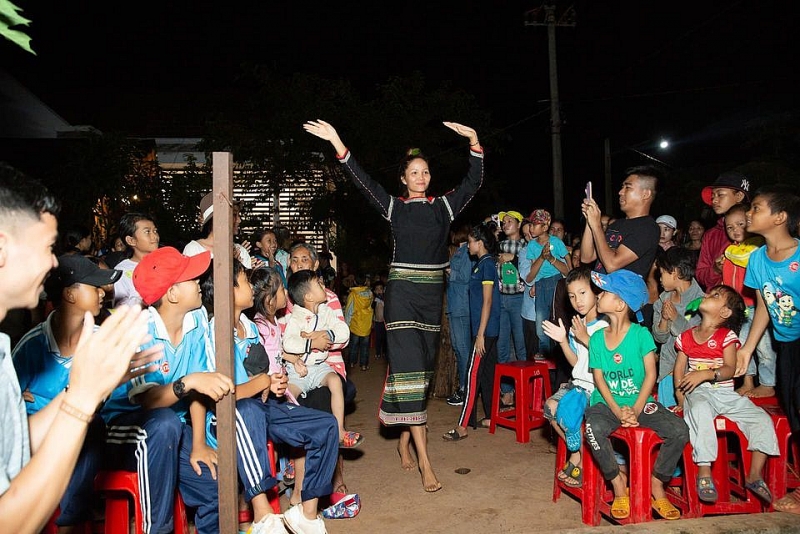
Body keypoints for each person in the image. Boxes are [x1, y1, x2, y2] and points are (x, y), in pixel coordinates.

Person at [304, 119, 483, 492]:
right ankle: (425, 464)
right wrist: (338, 141)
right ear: (403, 178)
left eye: (425, 171)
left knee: (419, 375)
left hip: (431, 298)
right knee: (410, 370)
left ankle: (404, 439)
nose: (421, 177)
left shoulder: (443, 207)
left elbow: (473, 183)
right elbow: (363, 181)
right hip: (401, 296)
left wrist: (475, 143)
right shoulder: (394, 208)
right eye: (413, 172)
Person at [0, 165, 158, 533]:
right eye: (47, 248)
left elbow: (15, 446)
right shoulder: (27, 345)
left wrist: (87, 386)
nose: (54, 262)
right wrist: (81, 402)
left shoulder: (3, 346)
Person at [100, 247, 237, 534]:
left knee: (214, 482)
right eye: (191, 278)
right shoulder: (140, 331)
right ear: (172, 293)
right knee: (164, 423)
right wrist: (188, 382)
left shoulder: (197, 319)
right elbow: (150, 400)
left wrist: (199, 444)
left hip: (172, 428)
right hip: (123, 430)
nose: (199, 282)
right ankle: (158, 529)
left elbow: (202, 386)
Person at [202, 260, 337, 534]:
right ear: (228, 290)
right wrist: (262, 382)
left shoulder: (249, 328)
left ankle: (306, 514)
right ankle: (263, 515)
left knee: (326, 425)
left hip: (262, 408)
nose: (252, 287)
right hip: (227, 418)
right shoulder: (214, 334)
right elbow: (223, 395)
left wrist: (271, 383)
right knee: (247, 410)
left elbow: (259, 377)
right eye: (245, 281)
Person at [12, 255, 121, 531]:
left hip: (93, 438)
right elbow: (9, 405)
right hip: (38, 448)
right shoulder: (31, 345)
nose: (102, 293)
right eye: (94, 287)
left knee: (90, 423)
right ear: (70, 294)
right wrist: (17, 400)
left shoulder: (102, 341)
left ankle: (69, 523)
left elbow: (112, 401)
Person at [583, 269, 689, 520]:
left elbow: (651, 375)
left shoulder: (641, 335)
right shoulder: (596, 338)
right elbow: (599, 379)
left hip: (640, 402)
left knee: (679, 430)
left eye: (604, 292)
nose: (598, 295)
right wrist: (618, 410)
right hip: (606, 403)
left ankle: (656, 484)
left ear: (620, 304)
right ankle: (618, 484)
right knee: (592, 428)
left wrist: (636, 409)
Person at [674, 284, 778, 505]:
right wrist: (681, 397)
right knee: (700, 410)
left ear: (724, 312)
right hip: (698, 392)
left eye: (715, 295)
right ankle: (704, 470)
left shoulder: (726, 336)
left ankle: (754, 475)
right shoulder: (687, 337)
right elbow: (679, 370)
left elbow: (730, 368)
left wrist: (707, 374)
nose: (707, 295)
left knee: (761, 419)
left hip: (725, 393)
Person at [733, 185, 800, 513]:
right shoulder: (758, 258)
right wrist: (747, 349)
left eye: (756, 208)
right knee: (793, 411)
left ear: (780, 217)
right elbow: (762, 306)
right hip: (785, 344)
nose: (749, 213)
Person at [541, 266, 608, 488]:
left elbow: (606, 360)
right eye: (571, 296)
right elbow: (576, 363)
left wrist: (585, 337)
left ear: (596, 292)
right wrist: (563, 341)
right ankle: (577, 450)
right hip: (578, 384)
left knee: (572, 413)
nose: (577, 301)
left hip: (597, 389)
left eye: (582, 293)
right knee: (550, 407)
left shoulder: (605, 325)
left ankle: (581, 456)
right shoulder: (577, 325)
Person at [283, 269, 362, 449]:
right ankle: (292, 444)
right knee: (289, 396)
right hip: (297, 371)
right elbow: (288, 343)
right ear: (309, 297)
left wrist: (325, 334)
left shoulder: (327, 311)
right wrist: (311, 343)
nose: (323, 284)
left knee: (335, 381)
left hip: (319, 367)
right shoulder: (296, 317)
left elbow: (343, 332)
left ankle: (340, 431)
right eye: (318, 284)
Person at [442, 223, 500, 441]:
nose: (468, 245)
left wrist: (480, 334)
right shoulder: (481, 264)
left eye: (471, 242)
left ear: (480, 243)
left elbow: (487, 301)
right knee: (487, 373)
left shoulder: (486, 265)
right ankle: (491, 417)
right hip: (486, 328)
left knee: (472, 373)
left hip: (485, 329)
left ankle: (463, 425)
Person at [720, 204, 775, 398]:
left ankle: (768, 383)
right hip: (738, 308)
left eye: (740, 224)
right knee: (740, 345)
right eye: (730, 227)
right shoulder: (730, 251)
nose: (735, 230)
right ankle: (748, 381)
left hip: (757, 307)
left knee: (764, 346)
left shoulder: (757, 248)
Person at [580, 166, 661, 280]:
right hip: (600, 289)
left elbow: (612, 265)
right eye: (622, 187)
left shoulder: (648, 228)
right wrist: (590, 222)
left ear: (645, 194)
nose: (620, 192)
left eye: (628, 187)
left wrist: (597, 225)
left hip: (621, 291)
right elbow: (586, 257)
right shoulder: (616, 225)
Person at [651, 247, 704, 407]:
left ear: (674, 272)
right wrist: (664, 320)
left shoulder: (700, 302)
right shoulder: (662, 301)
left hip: (693, 373)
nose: (660, 279)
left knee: (692, 413)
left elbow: (696, 338)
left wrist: (675, 318)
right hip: (668, 370)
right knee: (668, 415)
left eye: (662, 273)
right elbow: (659, 338)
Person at [524, 209, 570, 359]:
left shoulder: (555, 242)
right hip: (540, 284)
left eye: (534, 225)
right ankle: (544, 351)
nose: (531, 228)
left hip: (555, 281)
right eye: (530, 225)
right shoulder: (532, 245)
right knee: (541, 321)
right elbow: (533, 269)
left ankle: (560, 353)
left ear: (544, 227)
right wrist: (542, 258)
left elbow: (567, 260)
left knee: (557, 318)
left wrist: (570, 273)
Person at [696, 172, 751, 290]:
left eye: (720, 195)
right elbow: (700, 274)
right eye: (713, 196)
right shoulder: (710, 235)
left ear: (739, 196)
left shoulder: (756, 231)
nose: (714, 200)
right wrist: (715, 269)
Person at [496, 209, 527, 404]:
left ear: (519, 224)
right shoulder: (498, 246)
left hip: (519, 299)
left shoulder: (526, 246)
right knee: (502, 346)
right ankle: (506, 391)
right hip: (501, 299)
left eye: (509, 221)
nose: (505, 224)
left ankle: (523, 391)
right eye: (503, 222)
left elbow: (529, 271)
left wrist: (513, 259)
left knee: (521, 345)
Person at [183, 192, 255, 270]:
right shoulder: (194, 250)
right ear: (217, 219)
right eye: (234, 215)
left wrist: (238, 266)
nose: (239, 220)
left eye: (238, 215)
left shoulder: (241, 252)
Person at [445, 224, 472, 405]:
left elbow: (465, 277)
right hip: (455, 305)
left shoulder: (467, 253)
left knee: (463, 350)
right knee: (458, 348)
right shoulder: (459, 252)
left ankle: (465, 389)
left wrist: (450, 271)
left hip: (462, 306)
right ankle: (463, 387)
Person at [113, 212, 160, 307]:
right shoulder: (122, 272)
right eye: (147, 232)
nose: (155, 236)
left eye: (155, 231)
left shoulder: (164, 263)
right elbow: (121, 309)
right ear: (131, 240)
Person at [344, 273, 374, 371]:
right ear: (365, 281)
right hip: (366, 323)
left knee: (354, 345)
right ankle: (364, 365)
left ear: (354, 282)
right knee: (365, 346)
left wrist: (347, 325)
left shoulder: (353, 295)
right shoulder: (370, 293)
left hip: (355, 324)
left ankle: (352, 362)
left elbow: (349, 311)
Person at [372, 280, 387, 361]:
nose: (379, 291)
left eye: (380, 289)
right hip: (377, 322)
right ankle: (378, 352)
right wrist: (372, 321)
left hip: (384, 322)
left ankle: (384, 352)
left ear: (383, 290)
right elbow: (372, 310)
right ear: (374, 291)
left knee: (384, 338)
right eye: (377, 289)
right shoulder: (374, 300)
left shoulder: (386, 299)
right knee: (378, 338)